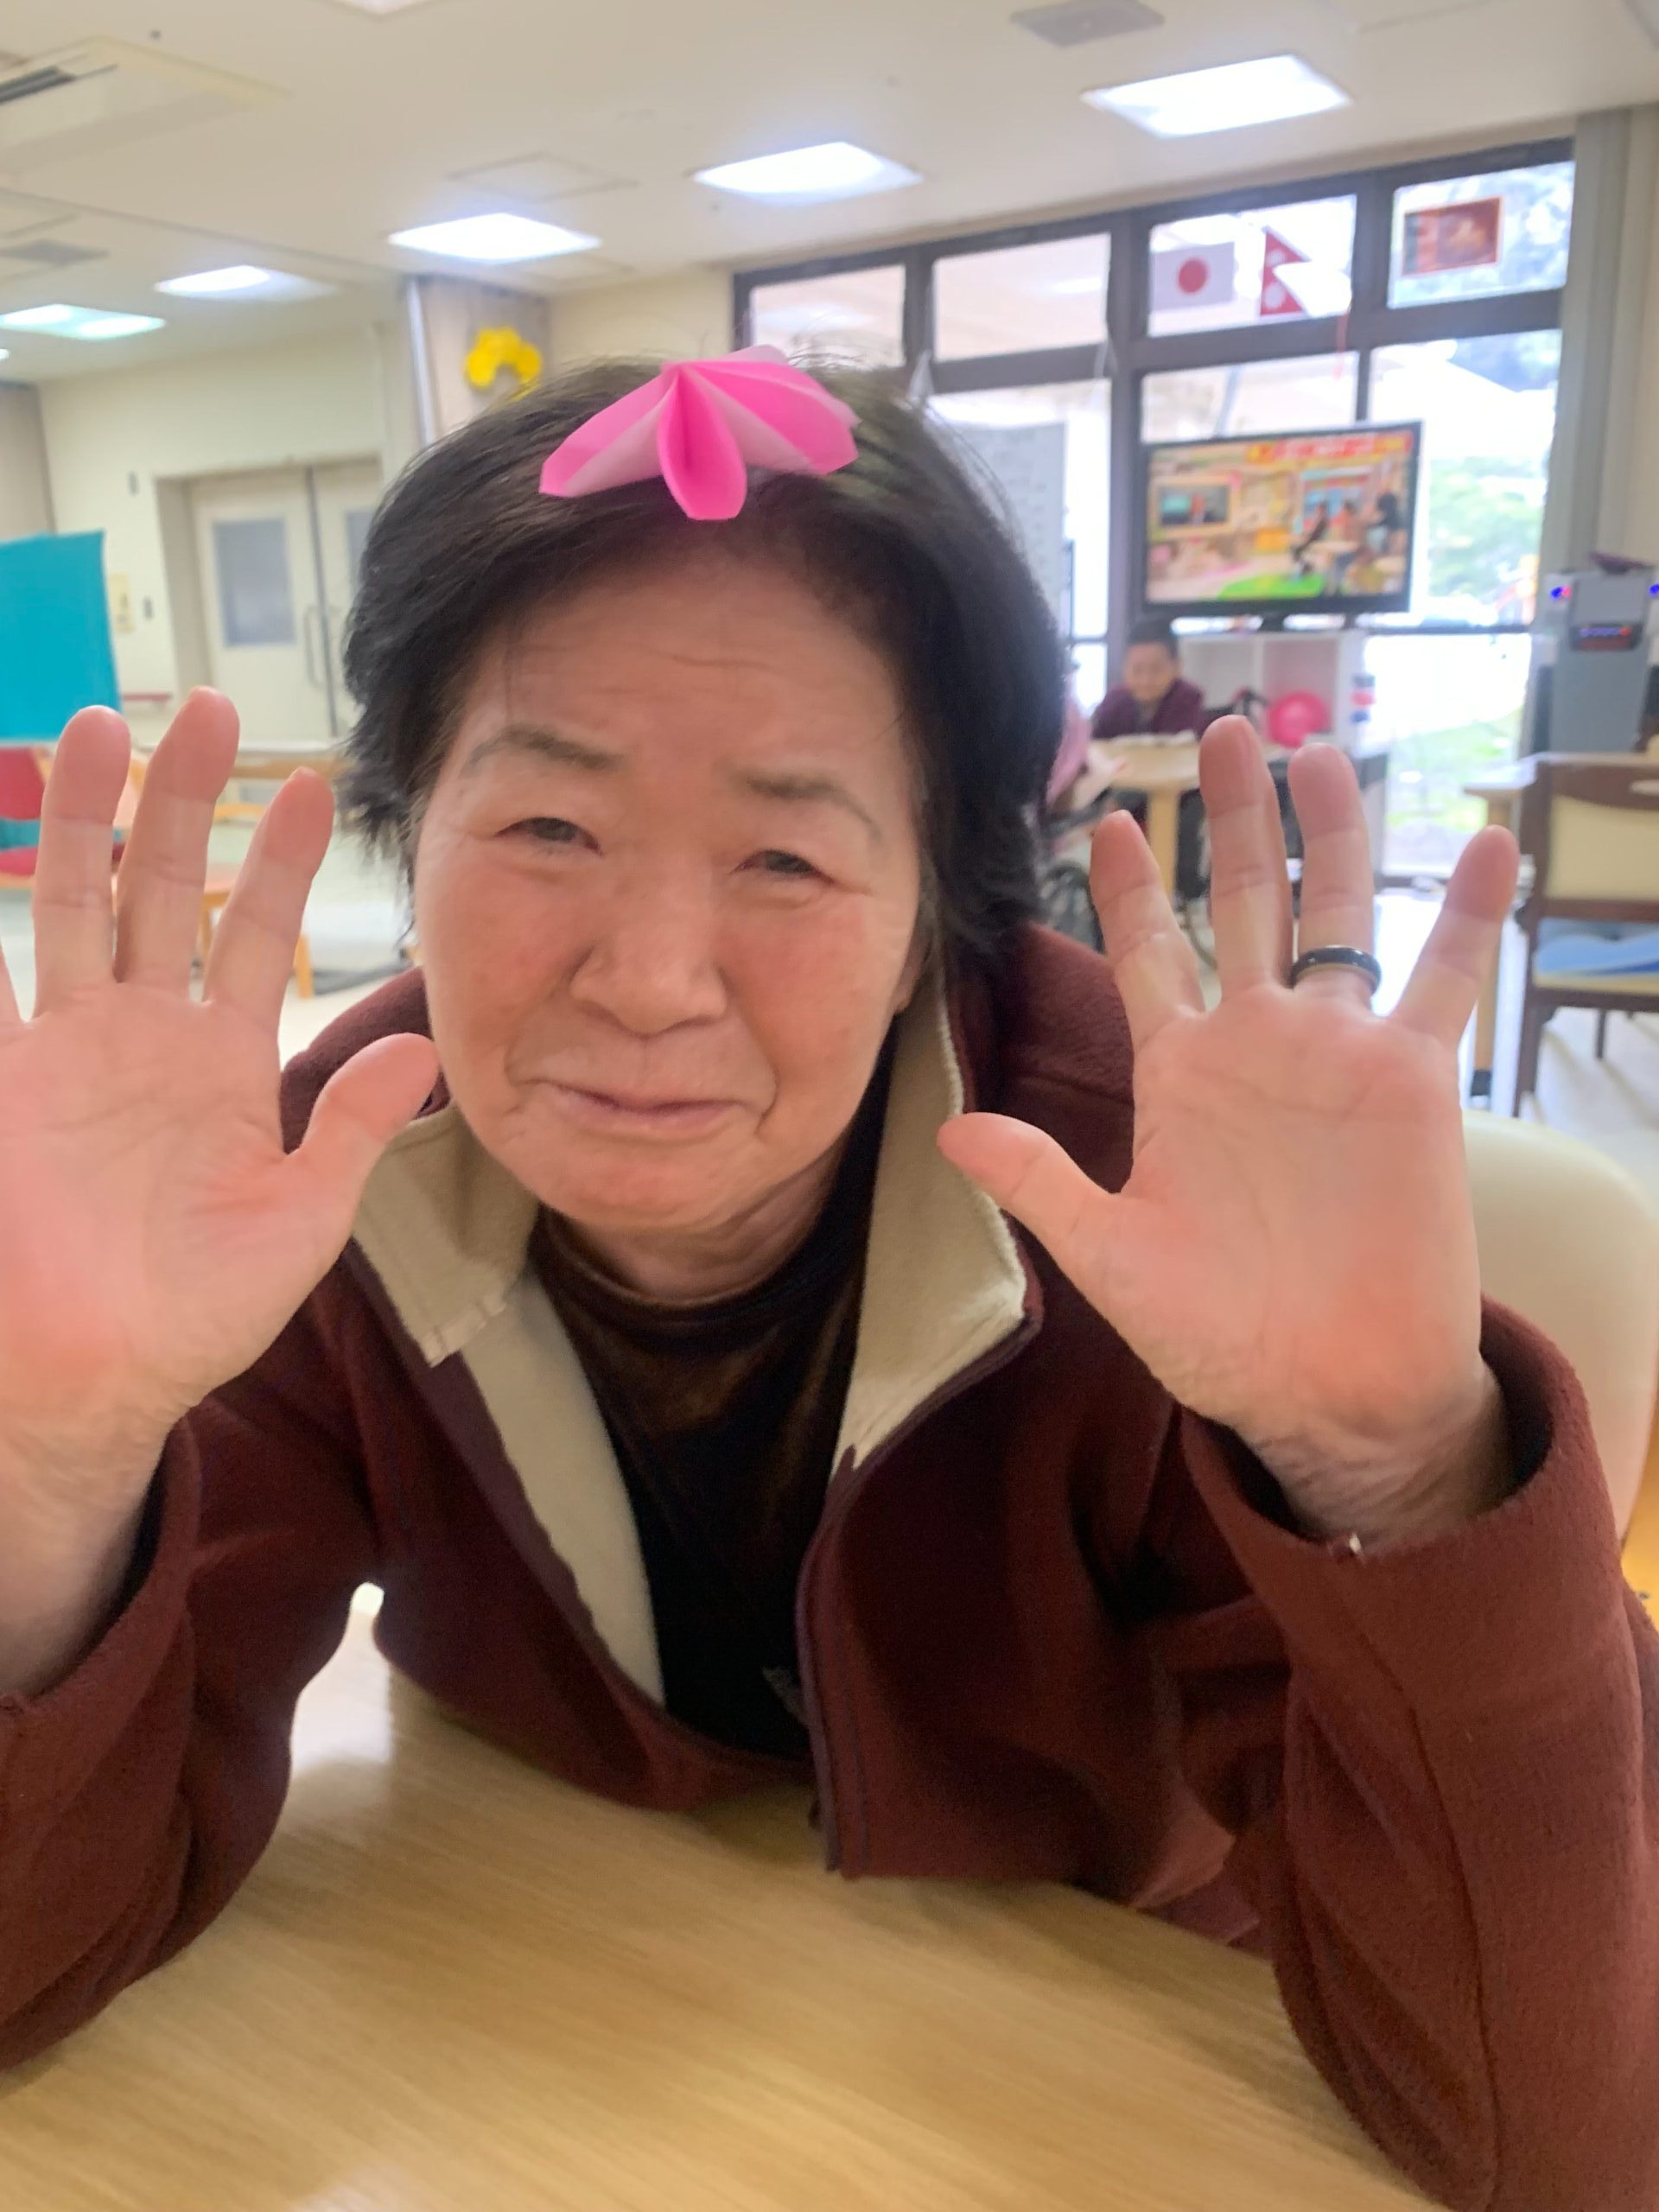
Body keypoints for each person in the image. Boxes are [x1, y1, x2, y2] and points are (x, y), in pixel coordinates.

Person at [0, 353, 1655, 2212]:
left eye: (785, 854)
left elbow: (1559, 2138)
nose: (650, 979)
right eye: (548, 829)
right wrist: (48, 1469)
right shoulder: (306, 1193)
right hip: (554, 2000)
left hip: (1063, 2065)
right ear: (405, 834)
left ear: (936, 914)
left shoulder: (1156, 1210)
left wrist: (1396, 1464)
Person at [1090, 618, 1206, 741]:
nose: (1146, 680)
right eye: (1137, 670)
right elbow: (1094, 741)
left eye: (1156, 669)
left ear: (1177, 667)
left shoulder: (1188, 699)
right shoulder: (1114, 702)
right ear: (1124, 667)